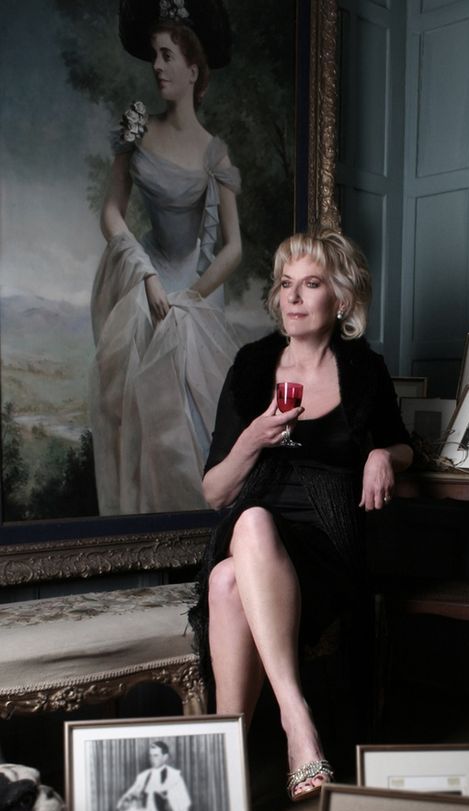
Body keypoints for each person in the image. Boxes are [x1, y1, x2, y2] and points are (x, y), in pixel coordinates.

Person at [190, 228, 413, 800]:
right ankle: (298, 724)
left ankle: (224, 772)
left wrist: (381, 455)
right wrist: (253, 440)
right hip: (253, 524)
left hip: (327, 544)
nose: (292, 297)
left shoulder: (363, 370)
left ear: (339, 300)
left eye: (310, 284)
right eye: (285, 284)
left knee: (225, 581)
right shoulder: (251, 365)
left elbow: (403, 444)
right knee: (251, 522)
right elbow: (216, 491)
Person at [89, 0, 242, 515]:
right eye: (154, 55)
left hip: (196, 289)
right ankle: (146, 539)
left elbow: (233, 247)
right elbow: (111, 212)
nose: (157, 66)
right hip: (147, 275)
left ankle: (198, 544)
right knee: (143, 418)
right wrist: (145, 274)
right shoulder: (136, 132)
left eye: (167, 55)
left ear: (193, 70)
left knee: (194, 427)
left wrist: (189, 301)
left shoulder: (213, 152)